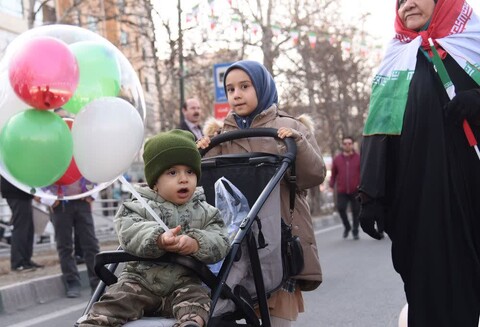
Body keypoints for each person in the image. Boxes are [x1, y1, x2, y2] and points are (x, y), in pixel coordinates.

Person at [357, 0, 480, 326]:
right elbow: (378, 130)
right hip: (419, 202)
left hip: (473, 195)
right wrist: (371, 195)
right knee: (429, 292)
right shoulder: (394, 61)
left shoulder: (474, 44)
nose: (407, 4)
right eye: (399, 0)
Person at [197, 60, 326, 326]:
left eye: (245, 86)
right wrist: (204, 150)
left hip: (278, 234)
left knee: (275, 313)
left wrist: (297, 144)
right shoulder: (221, 135)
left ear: (262, 86)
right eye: (230, 89)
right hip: (235, 238)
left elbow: (314, 175)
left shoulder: (290, 128)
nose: (237, 94)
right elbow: (208, 186)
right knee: (228, 306)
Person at [79, 129, 230, 327]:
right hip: (139, 280)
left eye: (190, 171)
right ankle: (95, 323)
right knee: (116, 300)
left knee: (199, 303)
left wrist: (195, 243)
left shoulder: (205, 211)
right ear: (155, 182)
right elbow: (128, 230)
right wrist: (157, 238)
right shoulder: (138, 205)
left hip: (184, 282)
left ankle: (190, 324)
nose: (183, 179)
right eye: (172, 172)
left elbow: (220, 239)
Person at [47, 180, 100, 298]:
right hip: (60, 204)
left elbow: (95, 175)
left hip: (82, 201)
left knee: (91, 244)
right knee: (64, 245)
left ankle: (97, 284)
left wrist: (91, 195)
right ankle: (72, 282)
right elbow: (41, 180)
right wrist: (50, 200)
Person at [0, 177, 43, 272]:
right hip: (16, 192)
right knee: (21, 227)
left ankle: (26, 259)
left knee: (28, 227)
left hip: (23, 192)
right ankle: (18, 262)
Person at [328, 136, 362, 240]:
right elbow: (333, 174)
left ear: (353, 145)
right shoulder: (337, 159)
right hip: (342, 190)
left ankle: (355, 231)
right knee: (341, 208)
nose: (347, 145)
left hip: (356, 190)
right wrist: (331, 185)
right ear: (342, 145)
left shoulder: (359, 158)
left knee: (356, 211)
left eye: (349, 143)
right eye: (345, 143)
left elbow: (363, 173)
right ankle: (347, 227)